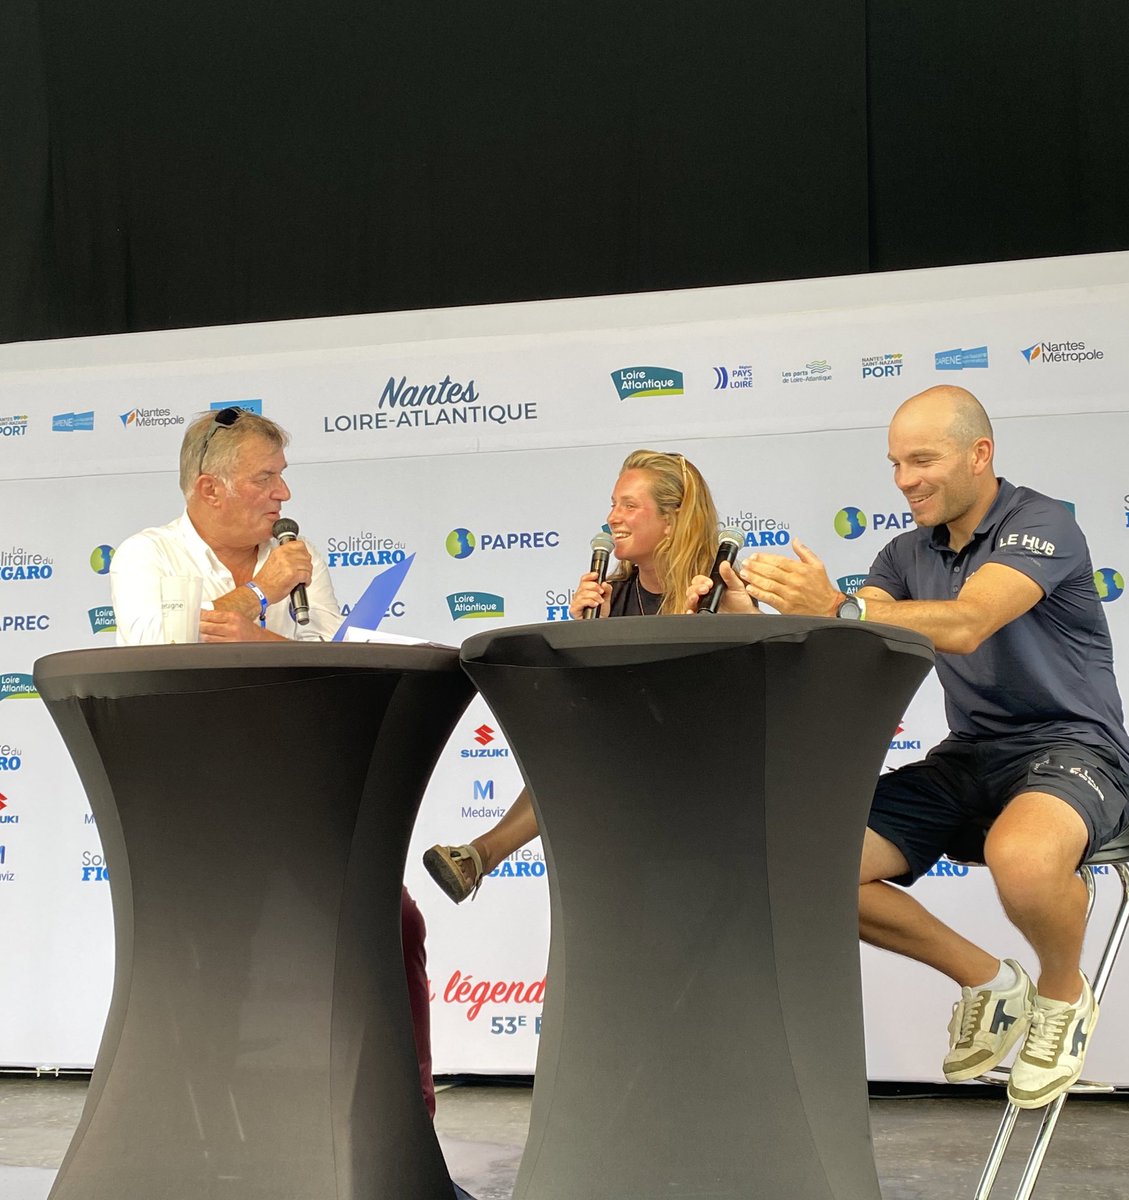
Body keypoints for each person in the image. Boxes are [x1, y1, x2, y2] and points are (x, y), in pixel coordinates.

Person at [690, 385, 1129, 1110]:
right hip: (972, 757)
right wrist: (758, 615)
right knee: (807, 867)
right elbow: (856, 650)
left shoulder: (1043, 523)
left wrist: (837, 607)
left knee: (1020, 858)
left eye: (923, 459)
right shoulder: (901, 554)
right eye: (896, 463)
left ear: (980, 455)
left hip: (1076, 746)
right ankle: (991, 985)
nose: (905, 480)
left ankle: (1062, 996)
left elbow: (966, 622)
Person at [110, 407, 438, 1117]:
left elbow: (332, 665)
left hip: (300, 783)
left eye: (282, 478)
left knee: (396, 923)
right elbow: (157, 665)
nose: (283, 496)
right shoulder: (148, 556)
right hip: (194, 796)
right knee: (217, 958)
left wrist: (256, 630)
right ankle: (214, 1128)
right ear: (209, 490)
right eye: (266, 479)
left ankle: (407, 1115)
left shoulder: (299, 557)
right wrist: (259, 593)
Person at [423, 447, 721, 902]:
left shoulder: (715, 592)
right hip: (617, 763)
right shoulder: (611, 596)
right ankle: (483, 854)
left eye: (629, 506)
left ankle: (484, 852)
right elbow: (591, 702)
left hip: (697, 766)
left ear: (673, 520)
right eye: (612, 504)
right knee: (575, 740)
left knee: (586, 748)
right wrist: (585, 635)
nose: (612, 519)